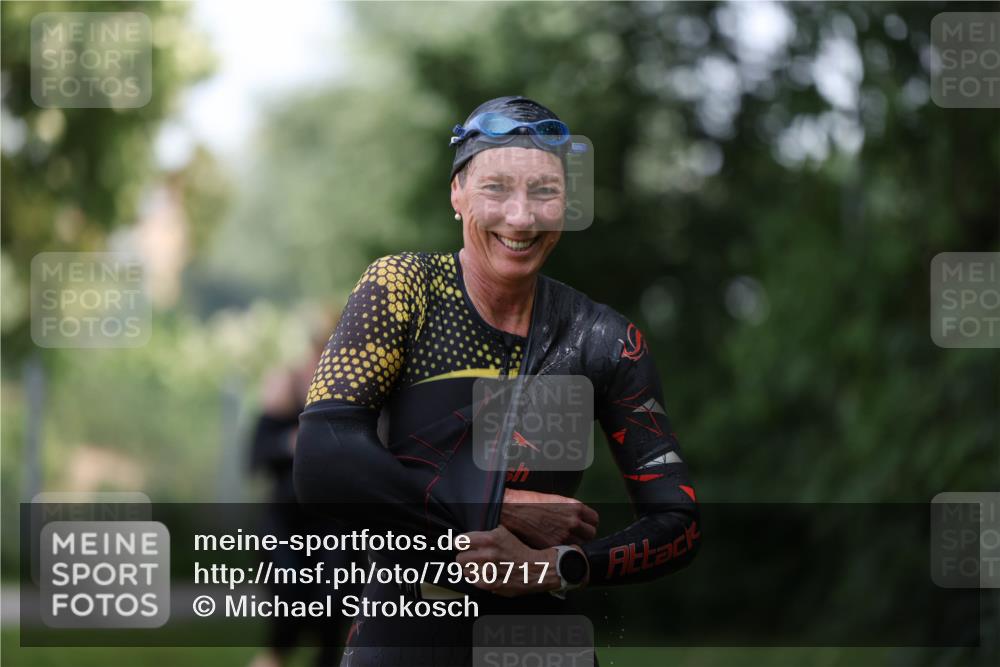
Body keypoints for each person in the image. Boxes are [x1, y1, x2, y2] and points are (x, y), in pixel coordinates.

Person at [294, 96, 700, 666]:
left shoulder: (600, 338)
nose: (521, 217)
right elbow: (322, 462)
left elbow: (676, 523)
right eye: (496, 189)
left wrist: (558, 567)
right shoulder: (405, 289)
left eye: (544, 191)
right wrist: (495, 509)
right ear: (457, 194)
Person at [248, 329, 362, 667]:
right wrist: (294, 441)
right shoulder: (284, 391)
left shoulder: (360, 396)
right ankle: (274, 654)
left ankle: (325, 657)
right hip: (286, 521)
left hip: (336, 522)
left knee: (335, 595)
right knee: (290, 590)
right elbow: (257, 458)